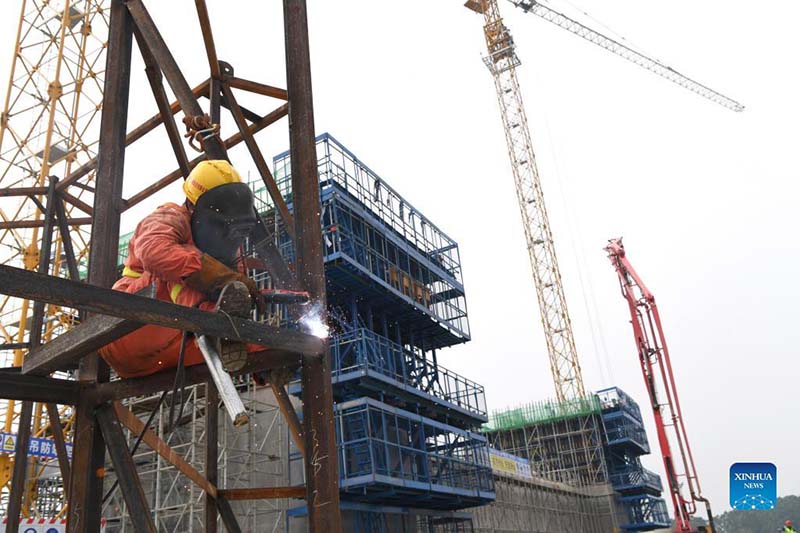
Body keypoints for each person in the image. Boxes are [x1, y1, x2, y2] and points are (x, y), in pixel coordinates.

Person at [100, 160, 262, 378]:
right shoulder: (170, 217)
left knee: (256, 346)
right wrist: (219, 277)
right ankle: (216, 324)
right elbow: (154, 252)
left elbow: (231, 285)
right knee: (173, 263)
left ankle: (253, 351)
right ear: (192, 205)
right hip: (125, 332)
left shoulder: (225, 244)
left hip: (175, 347)